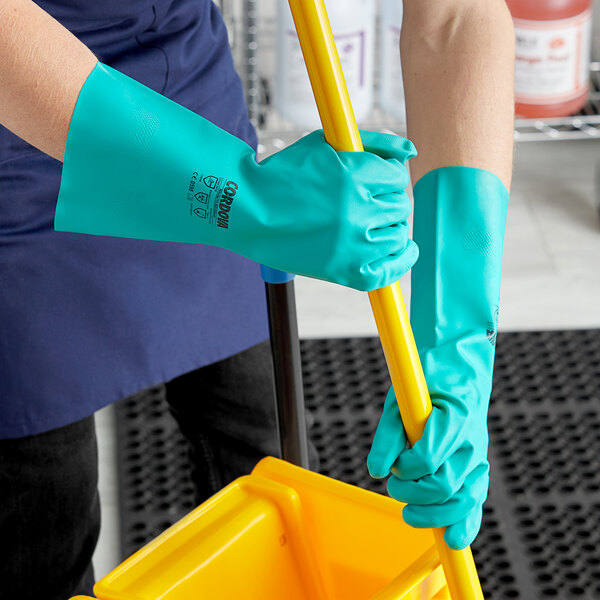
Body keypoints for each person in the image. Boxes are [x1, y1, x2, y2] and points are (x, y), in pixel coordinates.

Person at [0, 0, 514, 598]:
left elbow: (454, 18)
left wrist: (461, 339)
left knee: (267, 449)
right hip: (13, 115)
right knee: (41, 499)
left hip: (176, 82)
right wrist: (241, 199)